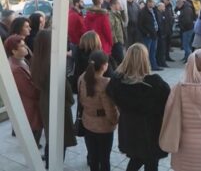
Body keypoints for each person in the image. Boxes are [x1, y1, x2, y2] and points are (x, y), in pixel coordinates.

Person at [106, 43, 170, 171]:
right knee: (150, 162)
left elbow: (111, 95)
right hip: (150, 131)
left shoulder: (117, 83)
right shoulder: (155, 85)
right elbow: (167, 104)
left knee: (136, 158)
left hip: (130, 129)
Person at [30, 29, 77, 169]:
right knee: (60, 139)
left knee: (52, 137)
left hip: (45, 101)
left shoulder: (36, 59)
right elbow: (65, 87)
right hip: (57, 103)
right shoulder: (53, 62)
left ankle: (50, 165)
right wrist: (71, 101)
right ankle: (54, 166)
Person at [78, 50, 119, 171]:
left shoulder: (82, 78)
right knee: (104, 159)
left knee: (93, 157)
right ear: (103, 66)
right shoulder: (105, 83)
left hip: (87, 122)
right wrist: (115, 121)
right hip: (104, 127)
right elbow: (110, 110)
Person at [4, 35, 43, 147]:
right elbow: (31, 92)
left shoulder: (21, 60)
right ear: (14, 51)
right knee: (34, 135)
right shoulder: (16, 69)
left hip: (31, 106)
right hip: (30, 108)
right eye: (22, 46)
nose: (25, 47)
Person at [138, 0, 162, 71]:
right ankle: (145, 67)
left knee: (153, 51)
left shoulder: (154, 10)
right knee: (146, 52)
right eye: (153, 2)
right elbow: (140, 24)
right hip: (147, 35)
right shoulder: (143, 12)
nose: (154, 4)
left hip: (154, 34)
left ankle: (154, 66)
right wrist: (146, 33)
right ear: (148, 2)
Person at [109, 0, 125, 65]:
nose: (120, 5)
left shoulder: (117, 14)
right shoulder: (110, 15)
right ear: (113, 5)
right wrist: (115, 41)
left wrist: (122, 11)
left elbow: (123, 23)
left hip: (120, 40)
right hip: (116, 42)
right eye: (119, 4)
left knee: (120, 60)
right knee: (119, 60)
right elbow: (111, 28)